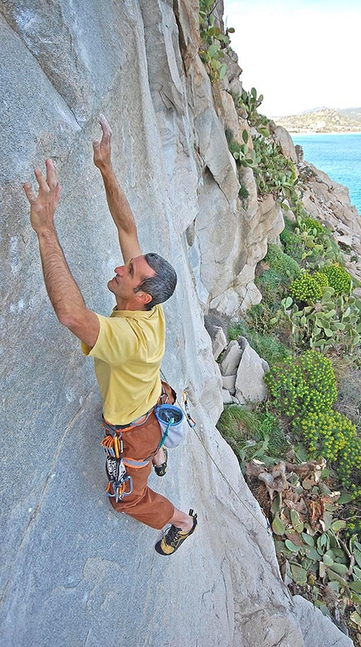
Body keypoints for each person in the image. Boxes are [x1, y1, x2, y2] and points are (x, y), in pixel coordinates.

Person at [23, 114, 197, 555]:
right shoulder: (148, 302)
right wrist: (106, 167)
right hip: (156, 395)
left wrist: (45, 230)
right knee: (153, 422)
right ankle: (160, 455)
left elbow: (72, 315)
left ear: (142, 297)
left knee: (125, 498)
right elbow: (127, 228)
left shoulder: (130, 338)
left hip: (134, 428)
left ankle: (182, 520)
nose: (120, 268)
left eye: (129, 272)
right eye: (130, 265)